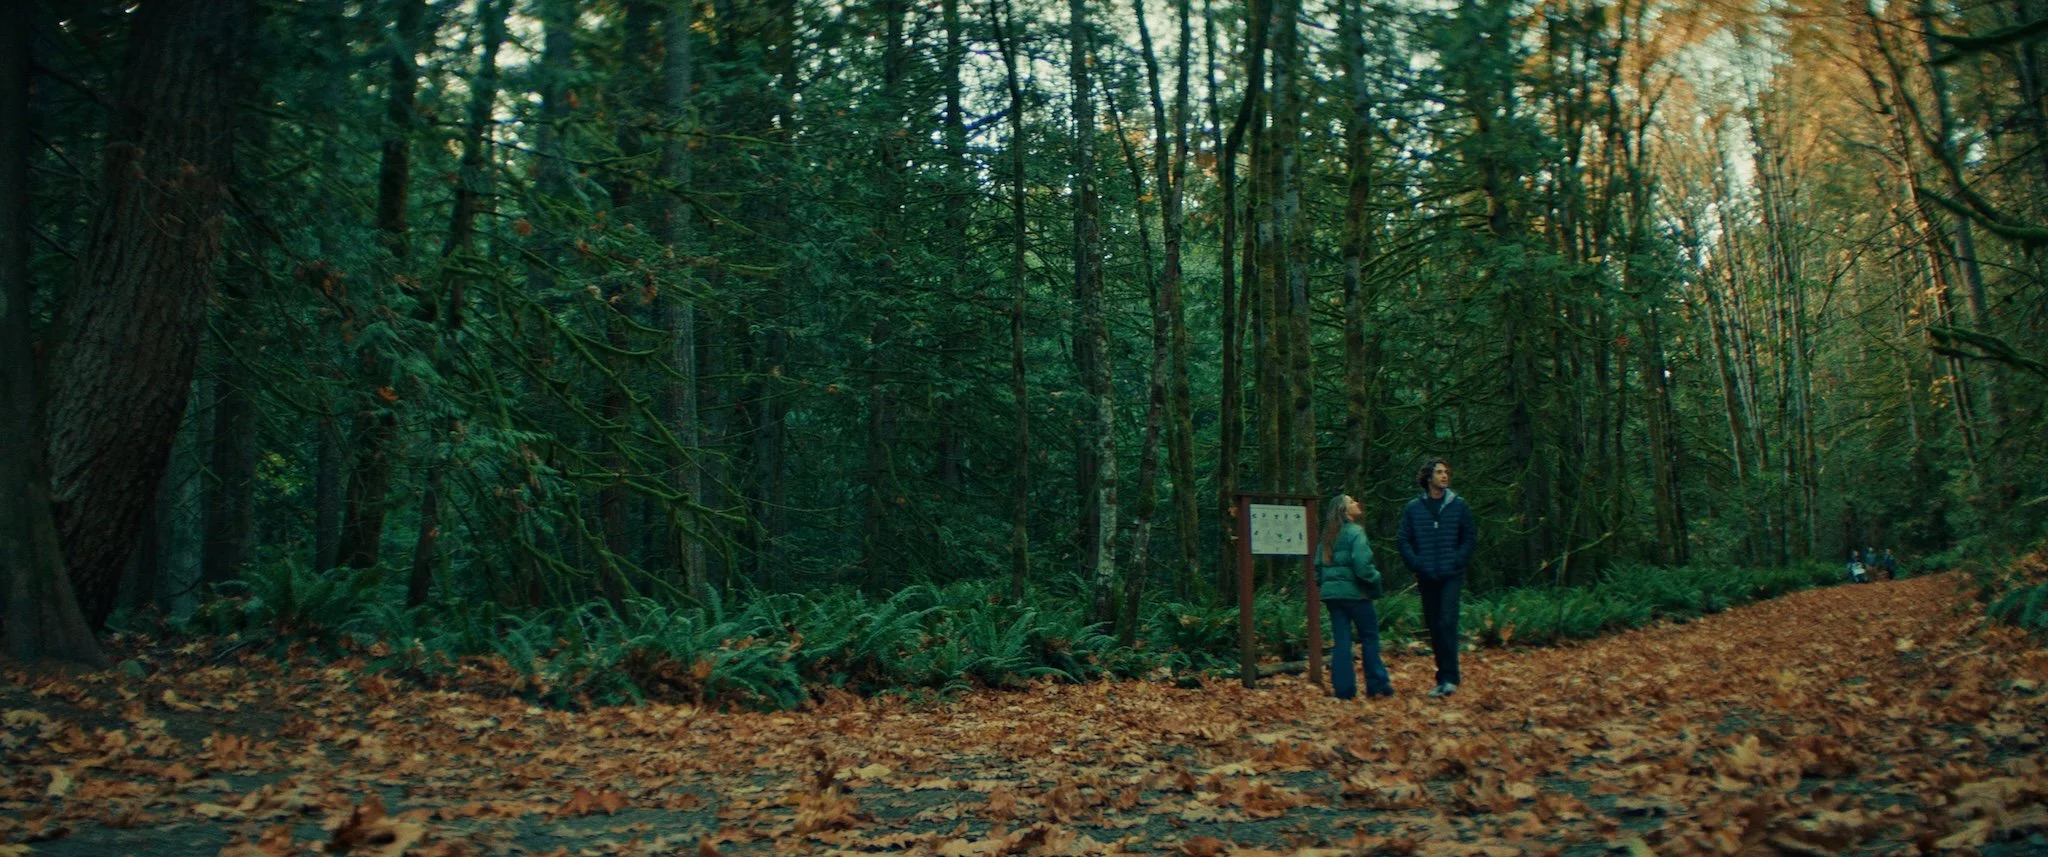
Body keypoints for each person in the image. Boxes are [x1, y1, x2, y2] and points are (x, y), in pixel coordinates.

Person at [1397, 459, 1476, 698]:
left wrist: (1457, 559)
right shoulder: (1414, 508)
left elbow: (1469, 537)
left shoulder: (1458, 506)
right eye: (1439, 472)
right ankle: (1442, 678)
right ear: (1428, 478)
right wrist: (1417, 563)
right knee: (1434, 625)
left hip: (1451, 574)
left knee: (1447, 621)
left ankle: (1451, 678)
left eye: (1446, 472)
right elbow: (1403, 539)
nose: (1444, 476)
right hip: (1427, 575)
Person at [1317, 493, 1391, 700]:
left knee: (1341, 641)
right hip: (1357, 595)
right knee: (1369, 637)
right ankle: (1376, 684)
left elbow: (1317, 567)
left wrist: (1327, 587)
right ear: (1344, 511)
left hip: (1333, 597)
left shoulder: (1327, 536)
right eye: (1351, 502)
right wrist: (1375, 581)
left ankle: (1344, 690)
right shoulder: (1356, 533)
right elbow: (1363, 567)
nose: (1356, 503)